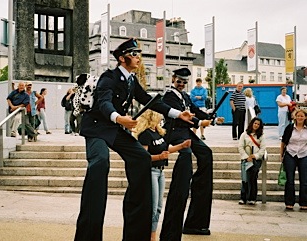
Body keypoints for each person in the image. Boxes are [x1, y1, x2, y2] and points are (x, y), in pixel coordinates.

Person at [74, 38, 194, 241]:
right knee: (100, 163)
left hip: (114, 128)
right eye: (134, 53)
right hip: (96, 127)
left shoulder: (131, 80)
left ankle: (136, 234)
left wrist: (177, 113)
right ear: (122, 59)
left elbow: (148, 100)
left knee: (141, 158)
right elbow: (103, 102)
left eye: (139, 53)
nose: (139, 57)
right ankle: (88, 235)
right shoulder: (109, 78)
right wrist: (119, 118)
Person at [160, 67, 224, 240]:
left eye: (184, 82)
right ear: (173, 79)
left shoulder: (186, 96)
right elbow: (186, 116)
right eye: (179, 81)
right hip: (175, 132)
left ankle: (196, 221)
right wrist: (199, 121)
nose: (181, 84)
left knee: (206, 154)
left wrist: (212, 118)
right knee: (186, 158)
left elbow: (197, 110)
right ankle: (172, 227)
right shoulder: (169, 96)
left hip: (187, 132)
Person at [133, 109, 191, 241]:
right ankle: (149, 235)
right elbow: (143, 157)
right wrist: (159, 156)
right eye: (159, 116)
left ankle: (153, 233)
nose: (161, 119)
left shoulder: (158, 132)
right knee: (152, 207)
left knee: (159, 206)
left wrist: (181, 146)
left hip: (160, 171)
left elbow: (165, 149)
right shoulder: (145, 134)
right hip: (151, 171)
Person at [280, 108, 307, 210]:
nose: (300, 117)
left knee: (304, 180)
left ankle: (304, 202)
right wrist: (281, 154)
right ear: (295, 117)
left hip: (304, 154)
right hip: (290, 154)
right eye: (298, 116)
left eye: (302, 116)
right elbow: (283, 142)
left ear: (305, 117)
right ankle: (289, 201)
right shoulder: (290, 128)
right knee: (290, 180)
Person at [238, 117, 266, 205]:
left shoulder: (261, 136)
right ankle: (243, 197)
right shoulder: (244, 134)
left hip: (256, 160)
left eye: (258, 124)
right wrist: (246, 157)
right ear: (252, 124)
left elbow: (263, 148)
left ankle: (252, 198)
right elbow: (240, 146)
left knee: (253, 178)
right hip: (246, 159)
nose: (256, 125)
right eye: (255, 123)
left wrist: (256, 156)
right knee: (245, 178)